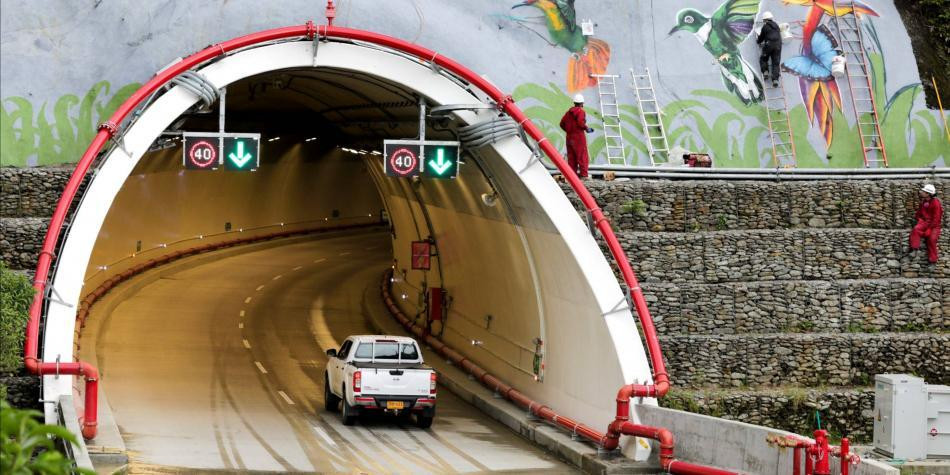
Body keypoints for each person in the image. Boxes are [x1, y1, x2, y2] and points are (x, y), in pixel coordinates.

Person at [559, 94, 594, 179]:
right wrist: (586, 128)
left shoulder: (568, 113)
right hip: (578, 137)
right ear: (582, 103)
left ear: (574, 102)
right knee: (582, 156)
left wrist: (569, 131)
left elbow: (561, 124)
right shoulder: (581, 111)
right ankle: (584, 175)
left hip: (569, 137)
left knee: (571, 157)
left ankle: (572, 176)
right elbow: (580, 123)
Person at [909, 183, 942, 264]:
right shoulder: (924, 202)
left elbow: (936, 218)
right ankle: (914, 249)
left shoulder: (936, 203)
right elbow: (919, 213)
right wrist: (919, 220)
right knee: (916, 229)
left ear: (928, 194)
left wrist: (930, 229)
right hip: (924, 222)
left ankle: (933, 261)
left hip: (934, 225)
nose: (921, 192)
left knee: (931, 239)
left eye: (924, 191)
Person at [757, 11, 782, 88]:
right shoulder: (777, 26)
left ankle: (765, 72)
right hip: (778, 45)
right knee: (775, 62)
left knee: (764, 58)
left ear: (765, 20)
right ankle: (775, 80)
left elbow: (761, 38)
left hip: (769, 44)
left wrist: (758, 41)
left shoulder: (765, 27)